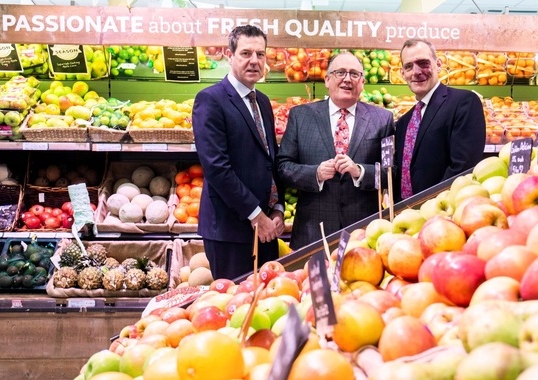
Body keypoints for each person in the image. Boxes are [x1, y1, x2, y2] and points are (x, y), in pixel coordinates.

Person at [192, 25, 285, 280]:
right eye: (246, 53)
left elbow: (270, 159)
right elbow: (216, 168)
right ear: (229, 55)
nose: (254, 61)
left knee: (267, 304)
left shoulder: (263, 101)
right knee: (234, 307)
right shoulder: (210, 100)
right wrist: (256, 215)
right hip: (230, 231)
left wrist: (277, 207)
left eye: (260, 54)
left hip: (266, 227)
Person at [277, 52, 394, 249]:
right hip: (312, 233)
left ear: (363, 82)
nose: (347, 79)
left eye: (354, 74)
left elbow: (391, 173)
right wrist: (315, 174)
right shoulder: (301, 116)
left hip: (364, 234)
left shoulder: (382, 119)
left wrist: (361, 171)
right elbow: (283, 168)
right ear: (327, 80)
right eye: (340, 72)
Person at [394, 39, 486, 202]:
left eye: (423, 63)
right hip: (407, 218)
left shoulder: (464, 102)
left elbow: (462, 167)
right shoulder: (403, 123)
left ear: (438, 64)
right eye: (409, 66)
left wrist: (431, 206)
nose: (416, 71)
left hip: (444, 212)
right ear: (402, 73)